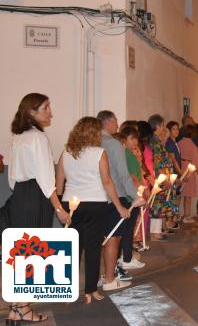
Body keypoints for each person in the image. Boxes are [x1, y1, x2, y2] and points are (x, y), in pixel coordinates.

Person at [6, 93, 70, 324]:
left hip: (21, 195)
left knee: (20, 251)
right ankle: (23, 308)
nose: (50, 111)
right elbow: (45, 178)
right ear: (32, 112)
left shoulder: (18, 137)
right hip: (36, 195)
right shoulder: (38, 138)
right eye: (45, 107)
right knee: (33, 253)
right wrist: (58, 208)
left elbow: (12, 178)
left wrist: (22, 195)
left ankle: (16, 307)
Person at [55, 117, 134, 304]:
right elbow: (107, 182)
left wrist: (59, 208)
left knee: (72, 249)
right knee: (92, 249)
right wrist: (119, 206)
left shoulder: (66, 153)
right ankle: (90, 291)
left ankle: (68, 292)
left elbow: (58, 184)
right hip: (95, 205)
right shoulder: (100, 153)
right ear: (94, 133)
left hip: (71, 204)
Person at [96, 110, 140, 290]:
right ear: (110, 121)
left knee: (103, 239)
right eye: (115, 121)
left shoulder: (92, 143)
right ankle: (109, 279)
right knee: (114, 238)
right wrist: (136, 196)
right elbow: (123, 175)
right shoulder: (113, 144)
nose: (117, 125)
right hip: (115, 195)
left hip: (96, 195)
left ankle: (103, 275)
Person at [120, 126, 147, 268]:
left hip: (131, 195)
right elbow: (133, 177)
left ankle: (126, 257)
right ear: (125, 139)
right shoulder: (127, 154)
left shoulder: (127, 153)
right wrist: (139, 194)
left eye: (136, 138)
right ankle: (127, 259)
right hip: (132, 196)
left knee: (127, 229)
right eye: (132, 138)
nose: (135, 141)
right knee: (128, 229)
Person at [177, 125, 198, 223]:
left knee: (180, 195)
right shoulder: (193, 146)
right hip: (190, 170)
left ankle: (179, 214)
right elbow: (196, 163)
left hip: (181, 167)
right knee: (188, 196)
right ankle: (186, 217)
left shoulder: (179, 143)